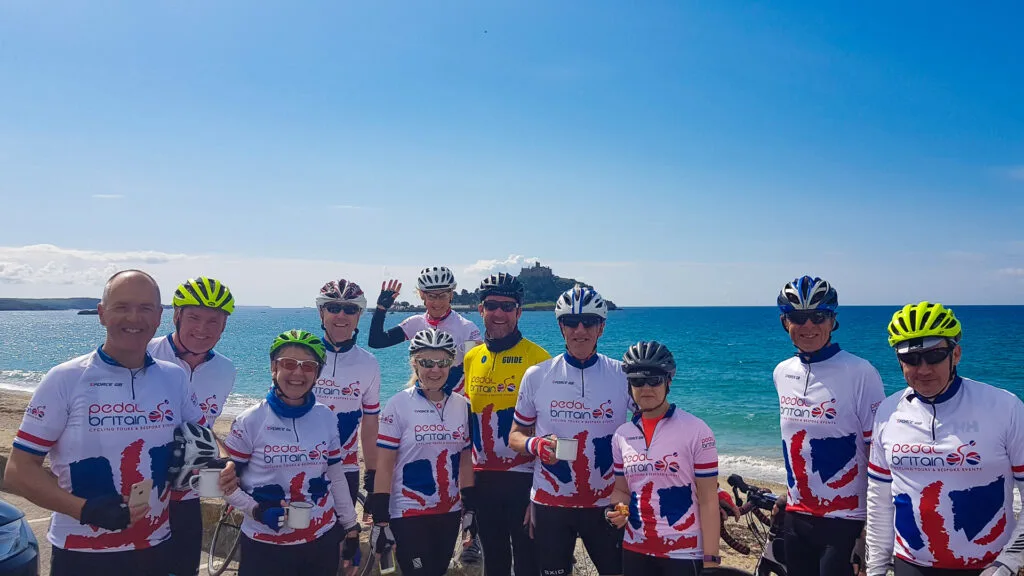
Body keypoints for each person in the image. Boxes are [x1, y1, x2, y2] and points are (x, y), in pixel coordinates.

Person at [4, 270, 236, 576]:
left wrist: (224, 463)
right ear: (101, 314)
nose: (134, 318)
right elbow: (18, 469)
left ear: (158, 318)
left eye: (145, 309)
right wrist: (84, 510)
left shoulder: (173, 377)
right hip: (82, 549)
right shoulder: (65, 378)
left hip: (156, 542)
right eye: (122, 307)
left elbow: (200, 435)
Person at [865, 302, 1024, 576]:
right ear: (900, 361)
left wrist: (1010, 561)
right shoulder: (887, 413)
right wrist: (876, 569)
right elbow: (879, 501)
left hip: (989, 567)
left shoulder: (1005, 407)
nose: (923, 369)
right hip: (910, 566)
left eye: (935, 355)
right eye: (911, 359)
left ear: (956, 353)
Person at [509, 284, 631, 576]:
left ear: (601, 327)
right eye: (570, 322)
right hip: (551, 503)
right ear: (561, 327)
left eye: (588, 322)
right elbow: (515, 436)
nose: (580, 330)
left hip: (607, 503)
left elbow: (653, 432)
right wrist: (535, 445)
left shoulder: (622, 374)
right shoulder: (537, 375)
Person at [772, 275, 885, 576]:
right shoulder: (782, 372)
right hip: (797, 517)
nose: (808, 326)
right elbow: (799, 443)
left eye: (818, 316)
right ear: (786, 322)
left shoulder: (861, 372)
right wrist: (787, 495)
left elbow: (878, 453)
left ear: (833, 320)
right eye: (798, 317)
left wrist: (870, 530)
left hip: (846, 520)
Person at [222, 329, 360, 576]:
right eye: (288, 364)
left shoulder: (326, 417)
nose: (298, 373)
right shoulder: (250, 420)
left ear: (317, 373)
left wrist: (351, 527)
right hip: (265, 545)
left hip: (320, 540)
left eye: (308, 366)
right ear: (274, 368)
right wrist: (257, 510)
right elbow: (226, 486)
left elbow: (336, 477)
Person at [148, 276, 238, 576]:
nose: (202, 329)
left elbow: (204, 426)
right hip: (143, 491)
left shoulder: (225, 370)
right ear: (176, 316)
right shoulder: (144, 354)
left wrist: (225, 457)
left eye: (213, 321)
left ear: (224, 326)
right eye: (194, 317)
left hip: (187, 493)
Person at [463, 273, 551, 576]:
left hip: (524, 481)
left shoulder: (538, 359)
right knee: (494, 563)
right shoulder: (472, 357)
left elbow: (550, 431)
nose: (499, 313)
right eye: (492, 305)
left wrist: (540, 492)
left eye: (507, 305)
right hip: (483, 479)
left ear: (519, 311)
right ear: (481, 309)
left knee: (528, 564)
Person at [368, 328, 476, 576]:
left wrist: (470, 509)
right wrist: (380, 519)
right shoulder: (398, 403)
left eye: (443, 362)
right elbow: (384, 465)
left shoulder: (462, 406)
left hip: (448, 513)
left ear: (452, 364)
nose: (435, 370)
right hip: (407, 513)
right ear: (414, 363)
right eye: (427, 362)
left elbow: (465, 460)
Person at [607, 341, 721, 576]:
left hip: (683, 553)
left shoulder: (697, 430)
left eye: (655, 380)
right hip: (635, 549)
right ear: (629, 385)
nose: (646, 387)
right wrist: (615, 510)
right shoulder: (622, 435)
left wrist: (711, 561)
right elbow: (622, 491)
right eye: (638, 381)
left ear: (668, 382)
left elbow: (709, 500)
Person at [313, 279, 381, 508]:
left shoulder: (369, 363)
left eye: (350, 309)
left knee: (344, 540)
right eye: (333, 308)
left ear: (359, 315)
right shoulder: (304, 354)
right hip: (300, 463)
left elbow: (370, 425)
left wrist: (372, 477)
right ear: (321, 312)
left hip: (346, 468)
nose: (341, 315)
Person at [368, 266, 481, 394]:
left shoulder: (467, 328)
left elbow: (477, 371)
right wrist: (381, 309)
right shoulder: (415, 323)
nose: (437, 303)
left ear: (451, 295)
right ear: (422, 295)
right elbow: (376, 342)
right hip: (422, 401)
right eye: (432, 296)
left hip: (456, 403)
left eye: (442, 296)